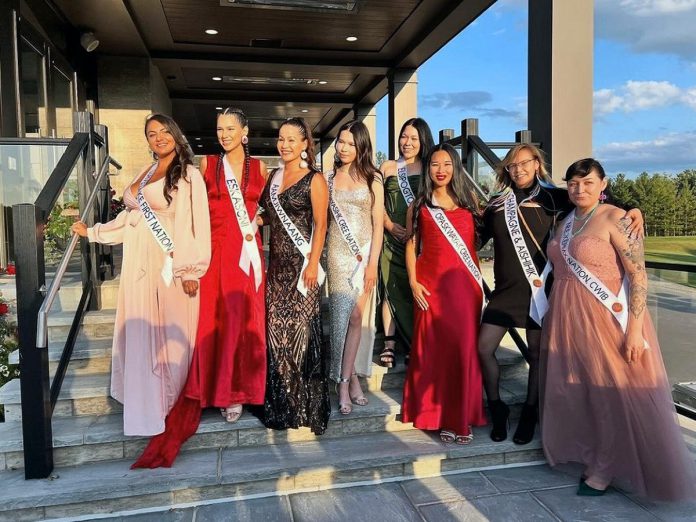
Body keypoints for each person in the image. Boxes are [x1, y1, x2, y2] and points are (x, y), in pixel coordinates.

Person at [540, 158, 696, 500]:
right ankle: (596, 454)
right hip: (567, 319)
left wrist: (635, 331)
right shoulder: (564, 222)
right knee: (583, 393)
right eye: (573, 183)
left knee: (611, 394)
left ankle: (606, 467)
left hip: (607, 320)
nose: (580, 189)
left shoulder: (616, 217)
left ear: (603, 183)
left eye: (588, 183)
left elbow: (638, 276)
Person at [477, 144, 643, 445]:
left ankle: (530, 410)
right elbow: (475, 237)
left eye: (524, 163)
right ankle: (497, 407)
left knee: (538, 355)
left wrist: (631, 209)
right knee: (483, 348)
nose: (519, 170)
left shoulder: (555, 197)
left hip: (541, 290)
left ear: (537, 164)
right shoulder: (497, 203)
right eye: (512, 166)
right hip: (506, 290)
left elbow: (594, 201)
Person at [131, 108, 267, 468]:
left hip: (247, 256)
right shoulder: (206, 165)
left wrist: (259, 219)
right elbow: (184, 209)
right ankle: (214, 390)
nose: (224, 134)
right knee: (212, 323)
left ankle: (237, 392)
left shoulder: (263, 170)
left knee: (242, 322)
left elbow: (267, 206)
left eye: (231, 128)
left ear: (245, 131)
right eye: (219, 128)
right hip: (214, 253)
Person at [71, 113, 211, 436]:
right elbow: (129, 220)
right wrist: (92, 232)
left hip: (170, 267)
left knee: (169, 338)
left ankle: (170, 406)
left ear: (176, 135)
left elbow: (196, 224)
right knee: (142, 335)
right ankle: (145, 405)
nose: (158, 137)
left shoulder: (189, 174)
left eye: (164, 131)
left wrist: (190, 268)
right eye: (151, 134)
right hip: (137, 267)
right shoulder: (145, 173)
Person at [402, 143, 487, 445]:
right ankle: (434, 414)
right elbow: (411, 245)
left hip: (464, 286)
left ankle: (460, 417)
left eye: (447, 164)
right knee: (434, 350)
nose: (441, 170)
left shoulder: (470, 200)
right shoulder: (419, 204)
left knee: (462, 348)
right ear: (429, 169)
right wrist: (413, 282)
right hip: (429, 285)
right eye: (435, 164)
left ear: (456, 168)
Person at [257, 117, 331, 434]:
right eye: (281, 139)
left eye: (292, 140)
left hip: (303, 270)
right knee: (277, 337)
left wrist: (313, 263)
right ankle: (282, 405)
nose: (284, 145)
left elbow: (321, 224)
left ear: (305, 144)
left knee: (302, 335)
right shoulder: (273, 178)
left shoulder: (314, 179)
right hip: (276, 269)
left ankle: (306, 406)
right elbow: (263, 215)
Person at [325, 120, 384, 415]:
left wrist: (372, 264)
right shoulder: (328, 178)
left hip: (363, 259)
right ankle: (346, 381)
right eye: (341, 142)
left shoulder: (373, 178)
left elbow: (378, 226)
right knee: (340, 322)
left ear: (361, 146)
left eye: (351, 143)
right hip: (337, 257)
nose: (344, 148)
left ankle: (347, 380)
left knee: (357, 318)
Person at [378, 118, 435, 367]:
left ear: (423, 140)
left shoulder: (431, 167)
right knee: (391, 290)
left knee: (417, 291)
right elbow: (375, 202)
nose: (407, 143)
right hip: (390, 236)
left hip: (420, 242)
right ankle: (389, 343)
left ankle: (415, 342)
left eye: (413, 138)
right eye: (404, 137)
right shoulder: (389, 167)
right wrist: (390, 226)